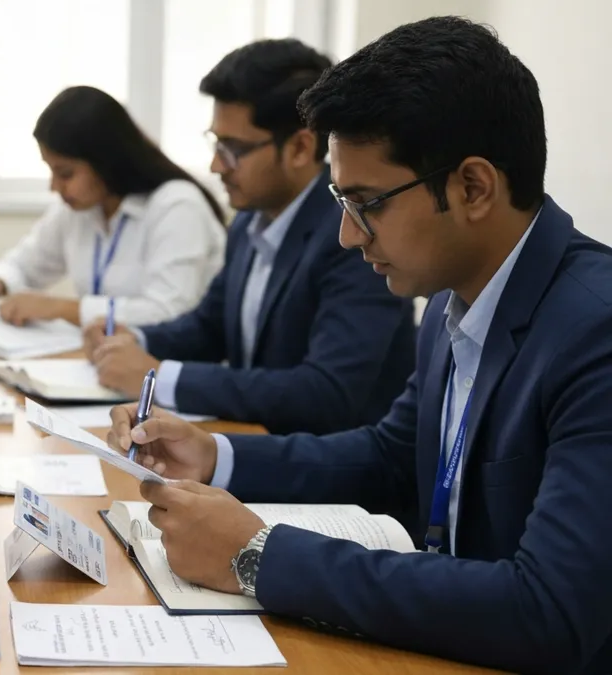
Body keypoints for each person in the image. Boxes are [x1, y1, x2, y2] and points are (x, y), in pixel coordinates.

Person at [109, 17, 612, 674]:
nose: (347, 235)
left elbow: (549, 609)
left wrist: (258, 554)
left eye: (367, 202)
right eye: (339, 200)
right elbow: (388, 455)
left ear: (473, 187)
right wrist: (215, 455)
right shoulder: (450, 303)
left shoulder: (594, 332)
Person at [86, 39, 415, 435]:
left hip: (330, 472)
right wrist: (133, 337)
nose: (215, 164)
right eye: (215, 142)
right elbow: (210, 327)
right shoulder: (249, 221)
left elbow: (326, 392)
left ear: (299, 148)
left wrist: (163, 377)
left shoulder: (352, 235)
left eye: (233, 148)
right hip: (259, 444)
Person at [0, 85, 227, 328]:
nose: (54, 187)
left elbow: (168, 311)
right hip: (106, 359)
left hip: (165, 371)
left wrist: (60, 308)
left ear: (106, 162)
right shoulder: (78, 208)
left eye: (65, 174)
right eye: (51, 172)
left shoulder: (177, 206)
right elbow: (25, 263)